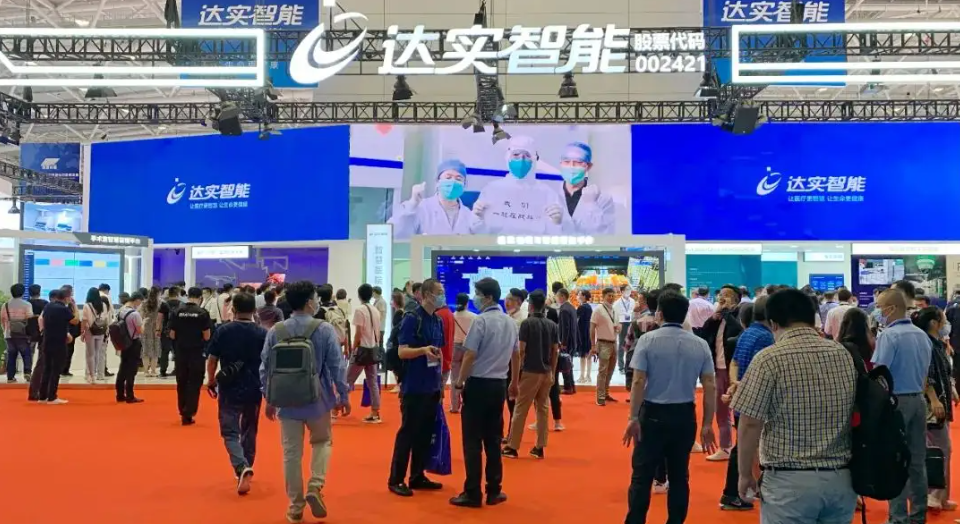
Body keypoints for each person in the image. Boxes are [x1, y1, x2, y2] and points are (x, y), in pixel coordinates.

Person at [731, 289, 858, 524]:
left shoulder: (769, 358)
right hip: (841, 477)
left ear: (773, 323)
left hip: (788, 481)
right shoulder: (842, 354)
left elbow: (749, 423)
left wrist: (744, 473)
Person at [623, 290, 718, 524]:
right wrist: (707, 424)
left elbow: (638, 381)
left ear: (660, 313)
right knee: (679, 477)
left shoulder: (647, 340)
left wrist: (633, 417)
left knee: (642, 476)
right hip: (684, 415)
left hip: (652, 415)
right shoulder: (700, 344)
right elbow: (710, 385)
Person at [260, 280, 351, 523]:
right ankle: (315, 484)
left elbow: (265, 368)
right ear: (310, 302)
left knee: (291, 453)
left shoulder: (276, 331)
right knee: (322, 441)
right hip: (318, 399)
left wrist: (268, 397)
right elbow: (337, 366)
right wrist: (343, 395)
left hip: (286, 401)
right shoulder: (324, 329)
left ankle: (295, 507)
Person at [451, 276, 519, 508]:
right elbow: (516, 354)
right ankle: (494, 490)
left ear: (488, 297)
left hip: (478, 384)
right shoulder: (510, 322)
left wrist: (459, 382)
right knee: (493, 440)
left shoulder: (480, 321)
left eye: (478, 294)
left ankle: (472, 492)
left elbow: (470, 354)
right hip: (498, 385)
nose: (475, 298)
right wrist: (514, 382)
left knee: (472, 440)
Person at [871, 288, 932, 522]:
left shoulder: (889, 336)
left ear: (892, 308)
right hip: (918, 399)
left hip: (896, 402)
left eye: (880, 307)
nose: (878, 311)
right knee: (917, 461)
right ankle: (918, 514)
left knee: (894, 460)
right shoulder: (921, 334)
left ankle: (897, 517)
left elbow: (880, 372)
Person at [388, 278, 445, 498]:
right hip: (413, 386)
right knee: (408, 433)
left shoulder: (437, 321)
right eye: (439, 292)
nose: (442, 295)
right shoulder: (412, 318)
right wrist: (422, 350)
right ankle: (396, 479)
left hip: (432, 385)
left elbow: (439, 352)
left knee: (425, 433)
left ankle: (417, 475)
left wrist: (440, 383)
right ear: (427, 294)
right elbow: (402, 351)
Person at [206, 291, 267, 495]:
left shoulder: (223, 331)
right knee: (250, 429)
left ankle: (241, 466)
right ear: (254, 310)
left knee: (230, 432)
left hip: (229, 386)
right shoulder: (262, 333)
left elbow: (212, 359)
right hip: (254, 387)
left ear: (233, 309)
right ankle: (247, 464)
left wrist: (211, 379)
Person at [718, 295, 774, 511]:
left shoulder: (748, 333)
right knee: (746, 447)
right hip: (755, 401)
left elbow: (735, 363)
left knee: (744, 446)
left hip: (744, 399)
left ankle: (740, 490)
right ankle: (734, 492)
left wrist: (736, 385)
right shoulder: (766, 338)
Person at [472, 136, 566, 235]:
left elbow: (554, 236)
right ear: (508, 158)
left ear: (534, 160)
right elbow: (478, 233)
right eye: (516, 155)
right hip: (498, 245)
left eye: (527, 155)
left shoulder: (547, 193)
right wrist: (477, 218)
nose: (521, 159)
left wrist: (557, 223)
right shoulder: (492, 189)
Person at [503, 289, 557, 460]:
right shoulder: (552, 325)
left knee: (520, 409)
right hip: (546, 372)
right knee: (542, 409)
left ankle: (512, 446)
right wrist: (552, 372)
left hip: (530, 372)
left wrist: (517, 373)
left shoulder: (527, 324)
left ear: (531, 305)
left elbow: (521, 350)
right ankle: (539, 447)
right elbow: (555, 351)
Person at [911, 307, 956, 511]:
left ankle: (940, 496)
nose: (946, 324)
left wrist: (952, 389)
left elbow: (944, 372)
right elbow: (925, 373)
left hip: (940, 402)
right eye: (943, 320)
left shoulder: (937, 344)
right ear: (934, 323)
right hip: (932, 406)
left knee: (940, 447)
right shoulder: (926, 344)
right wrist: (934, 398)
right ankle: (934, 494)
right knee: (941, 449)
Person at [698, 284, 743, 461]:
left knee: (739, 411)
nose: (722, 298)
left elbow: (738, 331)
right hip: (717, 368)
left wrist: (726, 313)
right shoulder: (717, 318)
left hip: (735, 370)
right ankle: (725, 447)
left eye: (727, 295)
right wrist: (713, 318)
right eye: (721, 294)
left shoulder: (740, 314)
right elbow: (703, 335)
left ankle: (742, 447)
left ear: (736, 299)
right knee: (721, 410)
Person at [389, 158, 479, 239]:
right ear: (437, 181)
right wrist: (412, 204)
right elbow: (394, 234)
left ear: (464, 185)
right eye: (448, 177)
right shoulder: (421, 208)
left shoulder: (468, 215)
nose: (453, 182)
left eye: (458, 179)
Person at [169, 287, 212, 425]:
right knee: (194, 382)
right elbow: (207, 336)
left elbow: (172, 334)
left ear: (188, 296)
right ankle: (189, 411)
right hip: (197, 352)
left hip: (181, 351)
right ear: (200, 298)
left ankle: (182, 409)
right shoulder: (202, 313)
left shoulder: (177, 311)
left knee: (181, 381)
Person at [553, 141, 616, 234]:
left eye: (578, 162)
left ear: (588, 166)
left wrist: (591, 205)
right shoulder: (550, 194)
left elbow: (606, 235)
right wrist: (555, 224)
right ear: (560, 164)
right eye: (566, 162)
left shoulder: (603, 199)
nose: (571, 166)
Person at [347, 283, 383, 424]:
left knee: (348, 380)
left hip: (361, 350)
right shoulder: (376, 310)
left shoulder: (360, 310)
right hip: (373, 349)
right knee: (372, 382)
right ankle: (375, 412)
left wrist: (353, 348)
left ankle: (337, 407)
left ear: (359, 295)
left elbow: (359, 333)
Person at [37, 289, 77, 403]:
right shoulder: (63, 309)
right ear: (66, 298)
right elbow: (75, 321)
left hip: (47, 341)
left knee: (47, 369)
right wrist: (74, 306)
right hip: (59, 342)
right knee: (56, 370)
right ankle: (52, 396)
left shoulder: (48, 306)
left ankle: (42, 396)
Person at [590, 286, 621, 406]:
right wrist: (593, 345)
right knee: (602, 371)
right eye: (609, 295)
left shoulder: (614, 310)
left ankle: (606, 393)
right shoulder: (598, 310)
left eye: (613, 296)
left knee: (611, 370)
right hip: (603, 343)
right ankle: (600, 396)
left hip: (614, 343)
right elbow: (592, 328)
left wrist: (618, 328)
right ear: (603, 296)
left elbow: (618, 325)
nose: (611, 298)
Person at [115, 292, 146, 404]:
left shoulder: (121, 311)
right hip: (133, 343)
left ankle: (120, 394)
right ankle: (130, 395)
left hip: (124, 342)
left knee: (123, 367)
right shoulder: (135, 314)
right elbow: (140, 331)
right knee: (132, 370)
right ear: (137, 300)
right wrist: (144, 323)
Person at [450, 292, 477, 414]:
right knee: (470, 377)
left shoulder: (452, 316)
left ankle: (454, 406)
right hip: (468, 347)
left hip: (455, 347)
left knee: (455, 378)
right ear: (467, 303)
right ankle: (469, 404)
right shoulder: (474, 317)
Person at [3, 283, 34, 383]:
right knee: (26, 353)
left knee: (11, 355)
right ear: (23, 292)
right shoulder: (27, 304)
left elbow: (2, 319)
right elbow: (30, 317)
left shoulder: (5, 305)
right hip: (22, 333)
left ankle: (10, 377)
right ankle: (27, 372)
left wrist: (6, 329)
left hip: (9, 333)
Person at [80, 287, 109, 383]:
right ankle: (94, 374)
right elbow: (105, 318)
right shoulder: (103, 305)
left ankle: (90, 375)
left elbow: (84, 320)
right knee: (97, 353)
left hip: (90, 331)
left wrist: (82, 332)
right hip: (100, 330)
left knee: (90, 354)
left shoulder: (87, 306)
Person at [555, 287, 577, 398]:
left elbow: (565, 327)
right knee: (569, 363)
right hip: (573, 340)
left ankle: (568, 387)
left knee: (565, 364)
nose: (556, 298)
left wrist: (563, 342)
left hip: (566, 342)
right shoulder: (571, 307)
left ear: (562, 296)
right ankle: (571, 386)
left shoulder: (564, 309)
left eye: (557, 296)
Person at [434, 287, 455, 397]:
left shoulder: (437, 315)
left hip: (438, 359)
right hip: (447, 357)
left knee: (435, 393)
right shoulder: (450, 314)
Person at [158, 287, 181, 378]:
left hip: (166, 330)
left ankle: (163, 371)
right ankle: (177, 370)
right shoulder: (181, 304)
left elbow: (159, 318)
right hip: (178, 331)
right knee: (178, 351)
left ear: (169, 294)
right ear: (177, 294)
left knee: (165, 351)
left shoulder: (164, 304)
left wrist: (158, 330)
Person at [138, 286, 162, 378]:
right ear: (158, 293)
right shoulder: (160, 303)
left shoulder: (143, 303)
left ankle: (145, 371)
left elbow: (140, 315)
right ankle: (153, 370)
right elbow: (161, 318)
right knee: (155, 350)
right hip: (156, 328)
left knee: (145, 350)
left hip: (146, 327)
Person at [614, 284, 635, 374]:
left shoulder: (633, 301)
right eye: (627, 290)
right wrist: (617, 326)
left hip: (631, 323)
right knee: (622, 345)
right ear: (622, 291)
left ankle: (630, 365)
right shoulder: (617, 303)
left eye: (629, 289)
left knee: (631, 344)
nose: (629, 291)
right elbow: (615, 316)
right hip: (622, 324)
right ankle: (621, 367)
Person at [60, 285, 80, 376]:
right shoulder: (65, 306)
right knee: (65, 351)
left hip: (71, 331)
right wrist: (75, 306)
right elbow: (75, 319)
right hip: (66, 331)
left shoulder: (69, 304)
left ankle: (65, 370)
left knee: (69, 351)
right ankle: (62, 369)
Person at [576, 289, 593, 384]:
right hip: (588, 332)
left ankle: (582, 376)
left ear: (584, 296)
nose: (578, 296)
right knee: (588, 355)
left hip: (582, 333)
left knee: (582, 356)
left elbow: (576, 320)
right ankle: (588, 376)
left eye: (579, 294)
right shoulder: (589, 307)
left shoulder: (581, 307)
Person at [98, 283, 115, 378]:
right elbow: (111, 312)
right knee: (103, 350)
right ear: (107, 290)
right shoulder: (106, 297)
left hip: (93, 328)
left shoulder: (92, 297)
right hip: (104, 327)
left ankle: (94, 370)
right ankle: (103, 370)